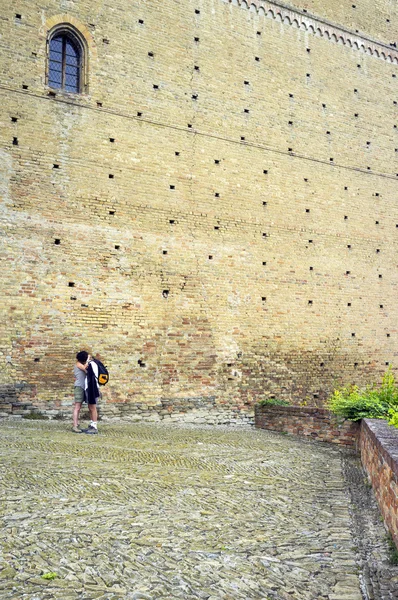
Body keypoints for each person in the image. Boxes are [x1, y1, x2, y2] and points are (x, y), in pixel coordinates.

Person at [72, 350, 88, 433]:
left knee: (79, 407)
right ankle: (75, 426)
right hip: (79, 387)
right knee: (77, 407)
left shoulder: (80, 364)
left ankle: (76, 424)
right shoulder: (78, 364)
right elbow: (86, 369)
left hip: (81, 386)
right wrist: (89, 361)